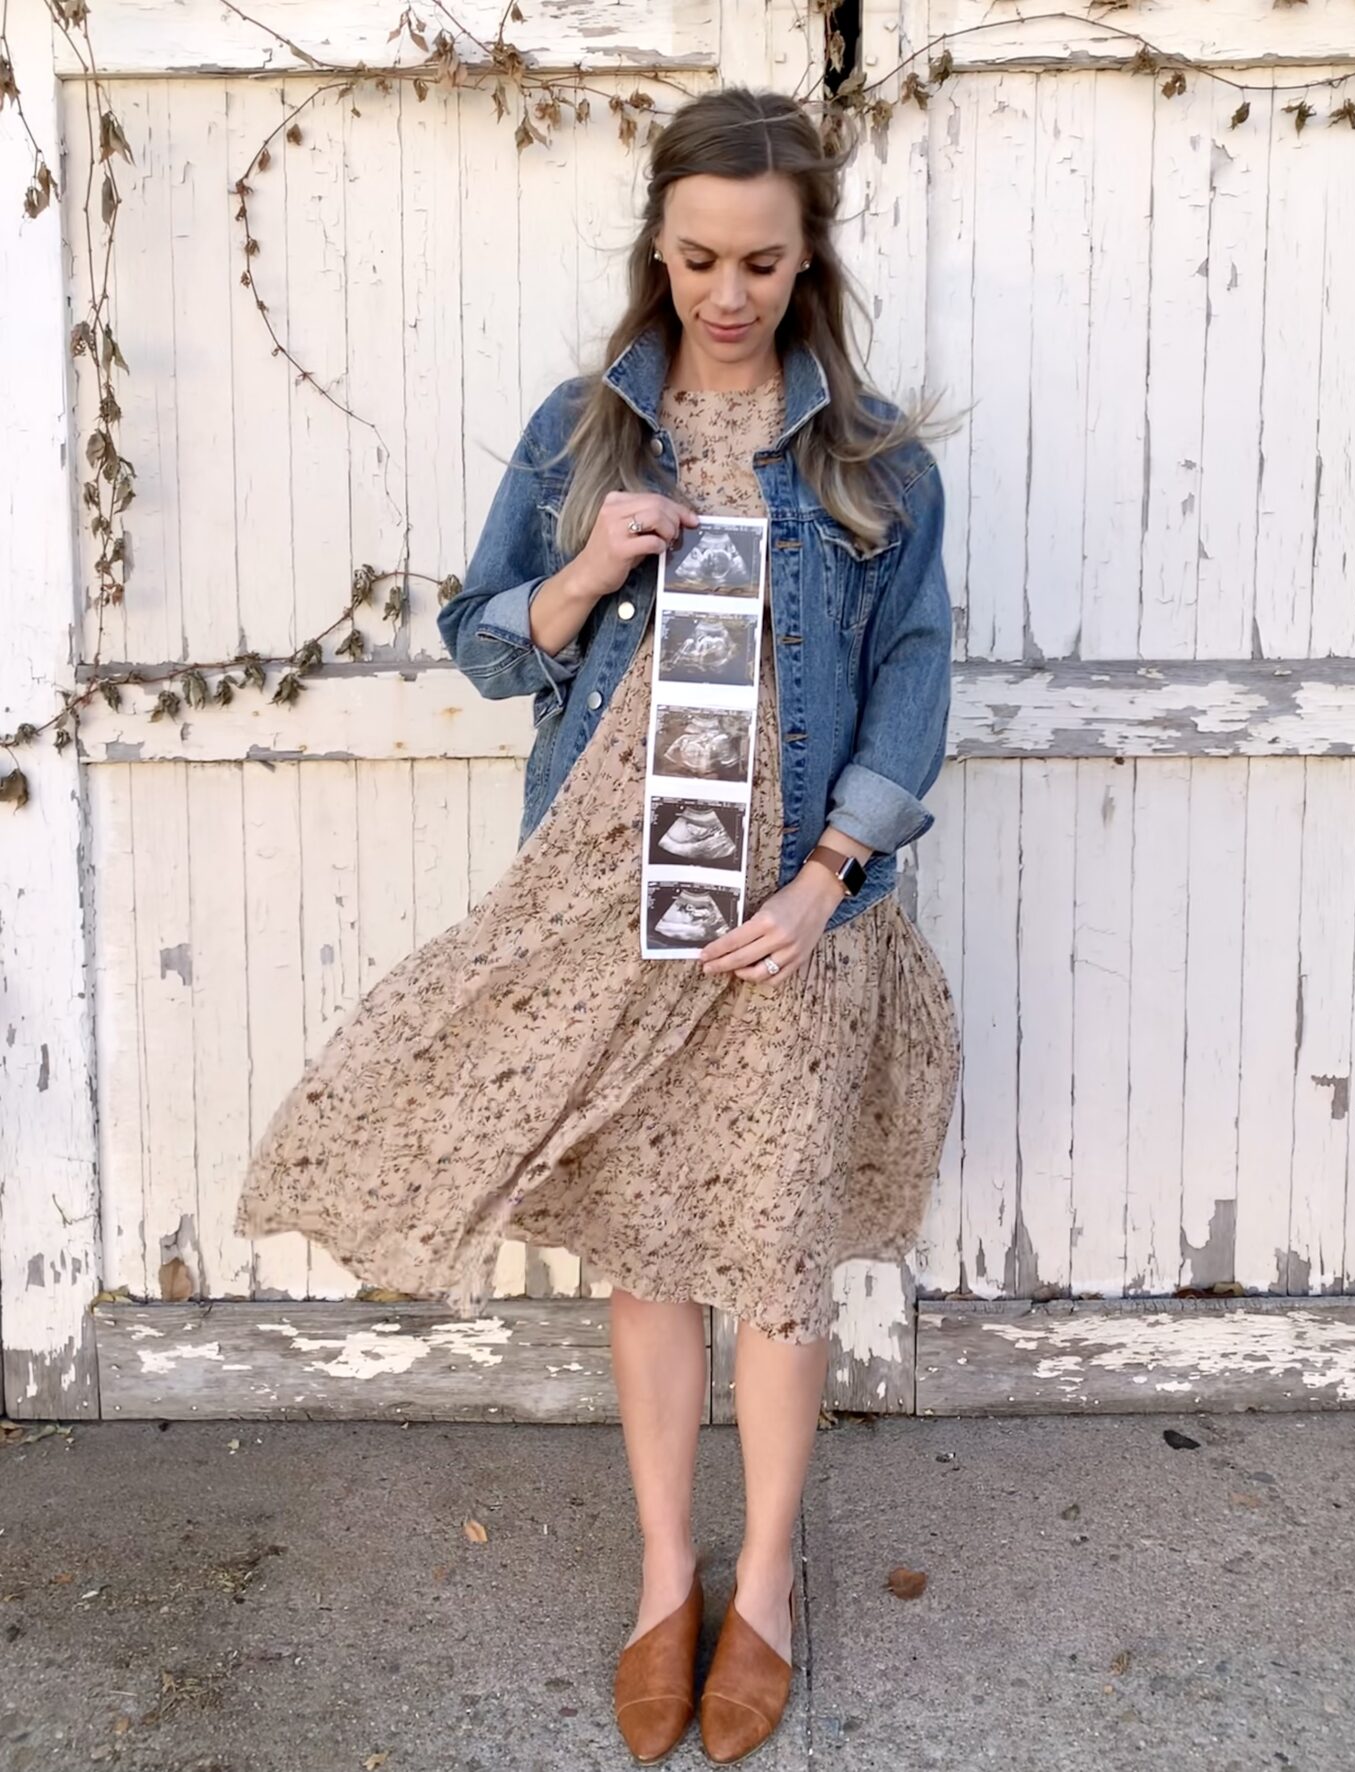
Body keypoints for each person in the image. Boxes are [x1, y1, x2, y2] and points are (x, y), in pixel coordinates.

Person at [233, 85, 959, 1768]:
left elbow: (917, 680)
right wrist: (579, 575)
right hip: (609, 902)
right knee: (645, 1243)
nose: (728, 291)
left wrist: (826, 877)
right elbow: (486, 643)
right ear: (657, 241)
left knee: (770, 1248)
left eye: (763, 263)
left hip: (787, 914)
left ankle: (764, 1583)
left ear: (807, 260)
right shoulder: (580, 437)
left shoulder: (874, 460)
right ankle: (662, 1573)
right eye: (700, 256)